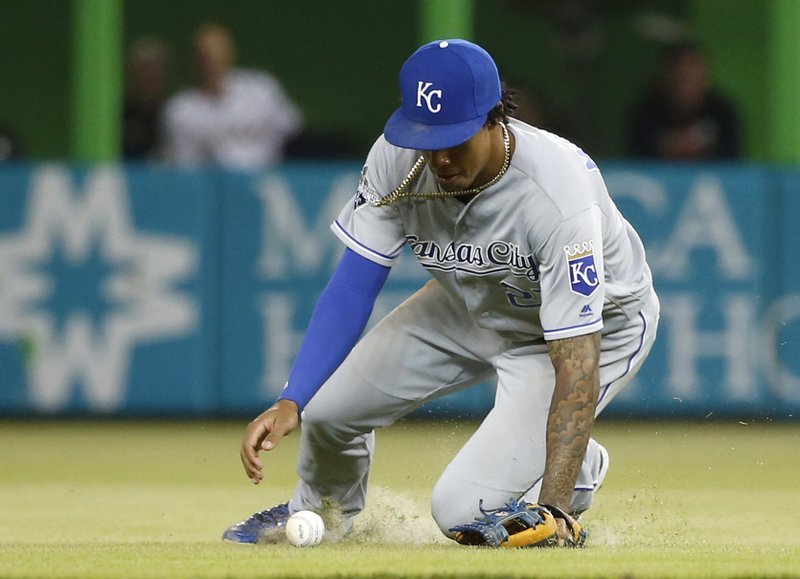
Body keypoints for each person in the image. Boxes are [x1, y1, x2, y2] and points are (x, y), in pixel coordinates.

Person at [223, 39, 659, 548]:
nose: (441, 156)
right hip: (474, 302)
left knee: (460, 512)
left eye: (456, 137)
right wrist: (292, 398)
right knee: (328, 412)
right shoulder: (398, 158)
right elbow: (353, 286)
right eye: (428, 138)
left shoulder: (557, 198)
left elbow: (577, 361)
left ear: (495, 118)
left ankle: (577, 467)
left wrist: (555, 504)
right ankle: (322, 512)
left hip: (582, 332)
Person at [160, 23, 303, 168]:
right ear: (194, 60)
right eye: (204, 55)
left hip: (264, 179)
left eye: (218, 52)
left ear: (230, 53)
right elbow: (184, 164)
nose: (212, 61)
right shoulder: (180, 108)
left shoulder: (261, 89)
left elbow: (292, 132)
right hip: (211, 185)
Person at [628, 42, 741, 160]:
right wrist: (670, 147)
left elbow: (732, 162)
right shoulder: (646, 112)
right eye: (682, 78)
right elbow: (637, 159)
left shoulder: (722, 112)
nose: (688, 87)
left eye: (695, 79)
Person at [123, 37, 170, 161]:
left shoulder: (173, 110)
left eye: (155, 69)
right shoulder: (120, 112)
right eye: (145, 69)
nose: (150, 76)